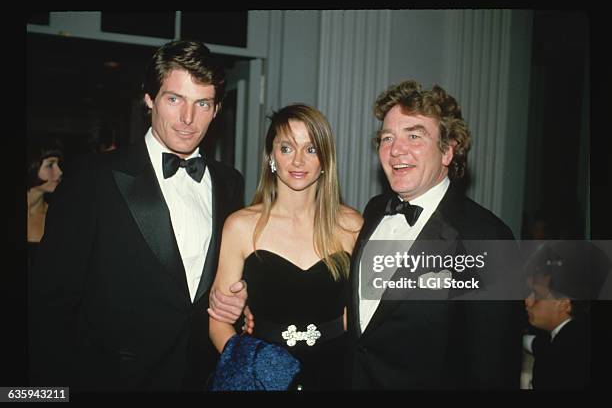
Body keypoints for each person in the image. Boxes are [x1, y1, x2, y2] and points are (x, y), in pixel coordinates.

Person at [28, 40, 245, 391]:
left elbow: (223, 273)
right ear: (149, 98)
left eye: (202, 103)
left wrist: (239, 291)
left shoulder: (229, 182)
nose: (188, 119)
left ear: (217, 108)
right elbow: (50, 304)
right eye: (174, 99)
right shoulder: (93, 177)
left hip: (202, 376)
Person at [345, 80, 524, 389]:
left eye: (414, 135)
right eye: (387, 138)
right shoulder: (375, 210)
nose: (396, 150)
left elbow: (494, 368)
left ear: (447, 152)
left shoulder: (487, 237)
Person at [208, 104, 363, 390]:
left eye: (311, 149)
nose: (298, 161)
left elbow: (360, 318)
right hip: (261, 382)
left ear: (325, 160)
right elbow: (218, 322)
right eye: (287, 148)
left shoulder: (352, 225)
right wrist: (252, 367)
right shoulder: (240, 226)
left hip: (337, 374)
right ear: (271, 157)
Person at [522, 240, 610, 389]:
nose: (528, 301)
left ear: (564, 303)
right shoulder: (578, 336)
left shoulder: (562, 360)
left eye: (537, 295)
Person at [27, 137, 64, 245]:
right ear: (31, 166)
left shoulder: (58, 216)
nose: (59, 172)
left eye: (58, 164)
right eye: (50, 165)